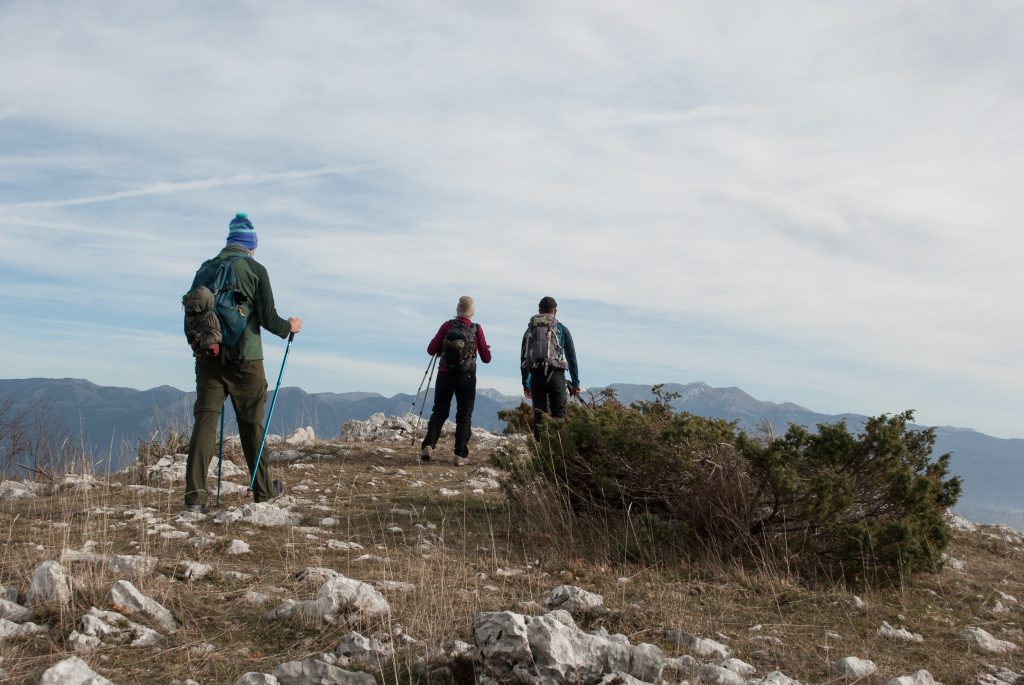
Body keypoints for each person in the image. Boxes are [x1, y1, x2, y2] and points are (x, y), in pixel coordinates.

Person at [184, 213, 302, 512]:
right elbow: (268, 318)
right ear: (250, 245)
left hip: (209, 357)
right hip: (246, 359)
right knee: (251, 426)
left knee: (205, 425)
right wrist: (290, 326)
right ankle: (263, 492)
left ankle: (195, 499)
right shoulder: (255, 269)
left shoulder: (205, 269)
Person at [420, 296, 492, 466]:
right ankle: (460, 455)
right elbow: (486, 358)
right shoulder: (476, 329)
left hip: (445, 374)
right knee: (464, 414)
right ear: (472, 311)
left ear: (457, 309)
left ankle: (429, 445)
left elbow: (431, 350)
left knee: (439, 411)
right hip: (466, 376)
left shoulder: (447, 326)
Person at [521, 296, 580, 439]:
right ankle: (557, 451)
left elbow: (524, 359)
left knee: (539, 416)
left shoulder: (530, 330)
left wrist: (526, 384)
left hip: (536, 376)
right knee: (558, 415)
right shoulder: (561, 329)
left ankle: (539, 454)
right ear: (555, 311)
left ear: (539, 311)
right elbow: (572, 358)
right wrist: (575, 383)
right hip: (556, 376)